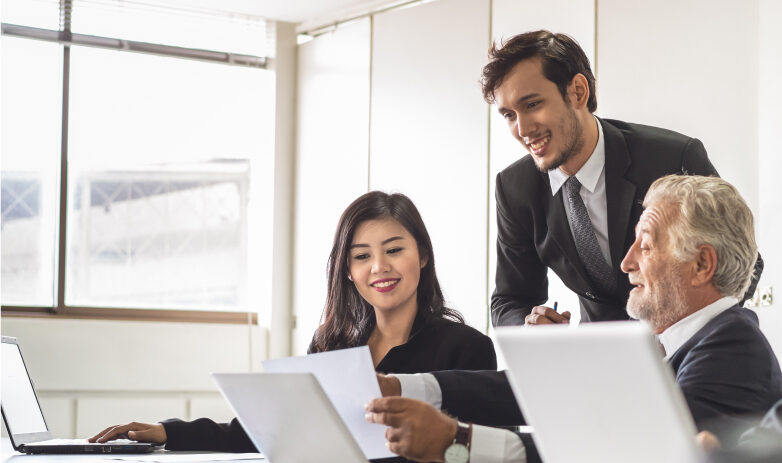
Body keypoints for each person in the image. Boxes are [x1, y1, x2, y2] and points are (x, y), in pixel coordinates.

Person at [366, 175, 782, 463]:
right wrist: (404, 386)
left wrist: (459, 442)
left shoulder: (733, 347)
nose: (625, 263)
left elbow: (624, 453)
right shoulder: (668, 345)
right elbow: (540, 389)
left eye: (647, 246)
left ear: (701, 264)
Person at [89, 191, 496, 451]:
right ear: (348, 272)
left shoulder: (467, 348)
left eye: (394, 249)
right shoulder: (330, 345)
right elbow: (276, 429)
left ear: (422, 255)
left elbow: (477, 451)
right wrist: (168, 432)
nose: (379, 267)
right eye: (361, 256)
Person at [486, 30, 761, 327]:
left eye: (532, 105)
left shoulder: (673, 157)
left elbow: (745, 265)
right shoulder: (515, 188)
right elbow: (509, 300)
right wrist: (531, 327)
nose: (522, 129)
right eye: (509, 115)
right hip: (598, 357)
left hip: (685, 351)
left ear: (578, 91)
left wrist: (678, 336)